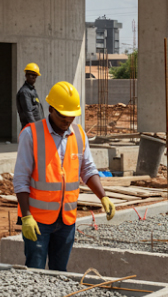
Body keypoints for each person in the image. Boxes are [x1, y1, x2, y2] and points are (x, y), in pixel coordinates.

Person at [13, 81, 115, 271]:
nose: (67, 121)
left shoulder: (79, 135)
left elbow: (88, 169)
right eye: (63, 115)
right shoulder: (31, 134)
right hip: (38, 220)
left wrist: (103, 196)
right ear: (51, 109)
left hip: (67, 219)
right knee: (35, 271)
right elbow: (21, 179)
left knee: (60, 273)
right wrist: (26, 216)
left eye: (71, 116)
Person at [16, 62, 44, 129]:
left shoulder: (32, 90)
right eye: (32, 74)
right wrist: (35, 127)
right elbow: (28, 112)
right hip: (31, 128)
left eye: (35, 75)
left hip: (37, 126)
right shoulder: (25, 92)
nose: (34, 77)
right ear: (26, 75)